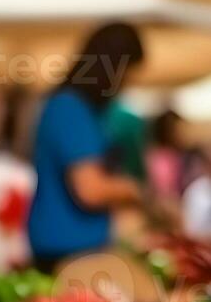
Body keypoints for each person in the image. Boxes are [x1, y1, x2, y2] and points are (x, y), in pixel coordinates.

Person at [27, 23, 147, 268]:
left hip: (76, 249)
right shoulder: (70, 108)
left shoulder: (86, 111)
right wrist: (134, 191)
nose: (127, 83)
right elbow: (90, 190)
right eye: (127, 73)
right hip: (65, 253)